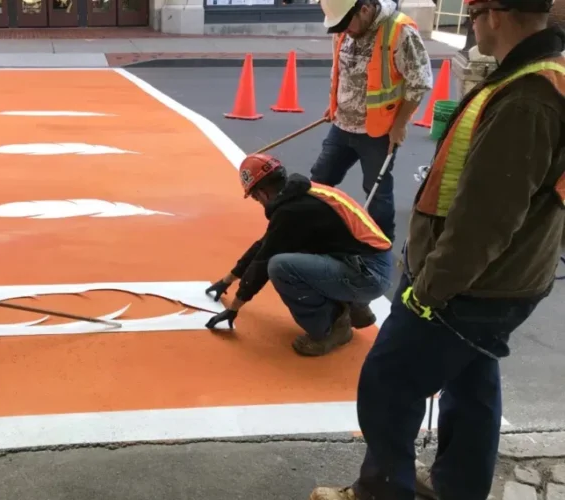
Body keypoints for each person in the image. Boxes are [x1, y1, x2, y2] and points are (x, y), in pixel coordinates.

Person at [310, 0, 565, 497]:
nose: (470, 27)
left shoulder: (527, 96)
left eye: (472, 16)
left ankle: (381, 491)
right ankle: (457, 487)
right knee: (470, 380)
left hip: (472, 284)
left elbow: (485, 219)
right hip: (504, 279)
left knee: (388, 381)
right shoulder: (536, 78)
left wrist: (429, 290)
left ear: (496, 14)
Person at [204, 154, 394, 357]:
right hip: (367, 264)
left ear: (262, 192)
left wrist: (235, 307)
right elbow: (265, 244)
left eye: (254, 196)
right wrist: (228, 279)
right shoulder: (304, 194)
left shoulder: (292, 211)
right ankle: (355, 306)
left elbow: (263, 260)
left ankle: (330, 330)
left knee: (280, 266)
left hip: (369, 274)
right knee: (293, 250)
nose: (257, 201)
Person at [312, 0, 434, 243]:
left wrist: (399, 124)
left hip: (378, 131)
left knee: (377, 193)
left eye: (347, 25)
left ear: (365, 9)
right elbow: (343, 70)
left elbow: (419, 82)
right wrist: (335, 103)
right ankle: (316, 229)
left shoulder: (398, 31)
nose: (344, 31)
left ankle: (380, 245)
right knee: (320, 179)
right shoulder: (343, 26)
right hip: (342, 124)